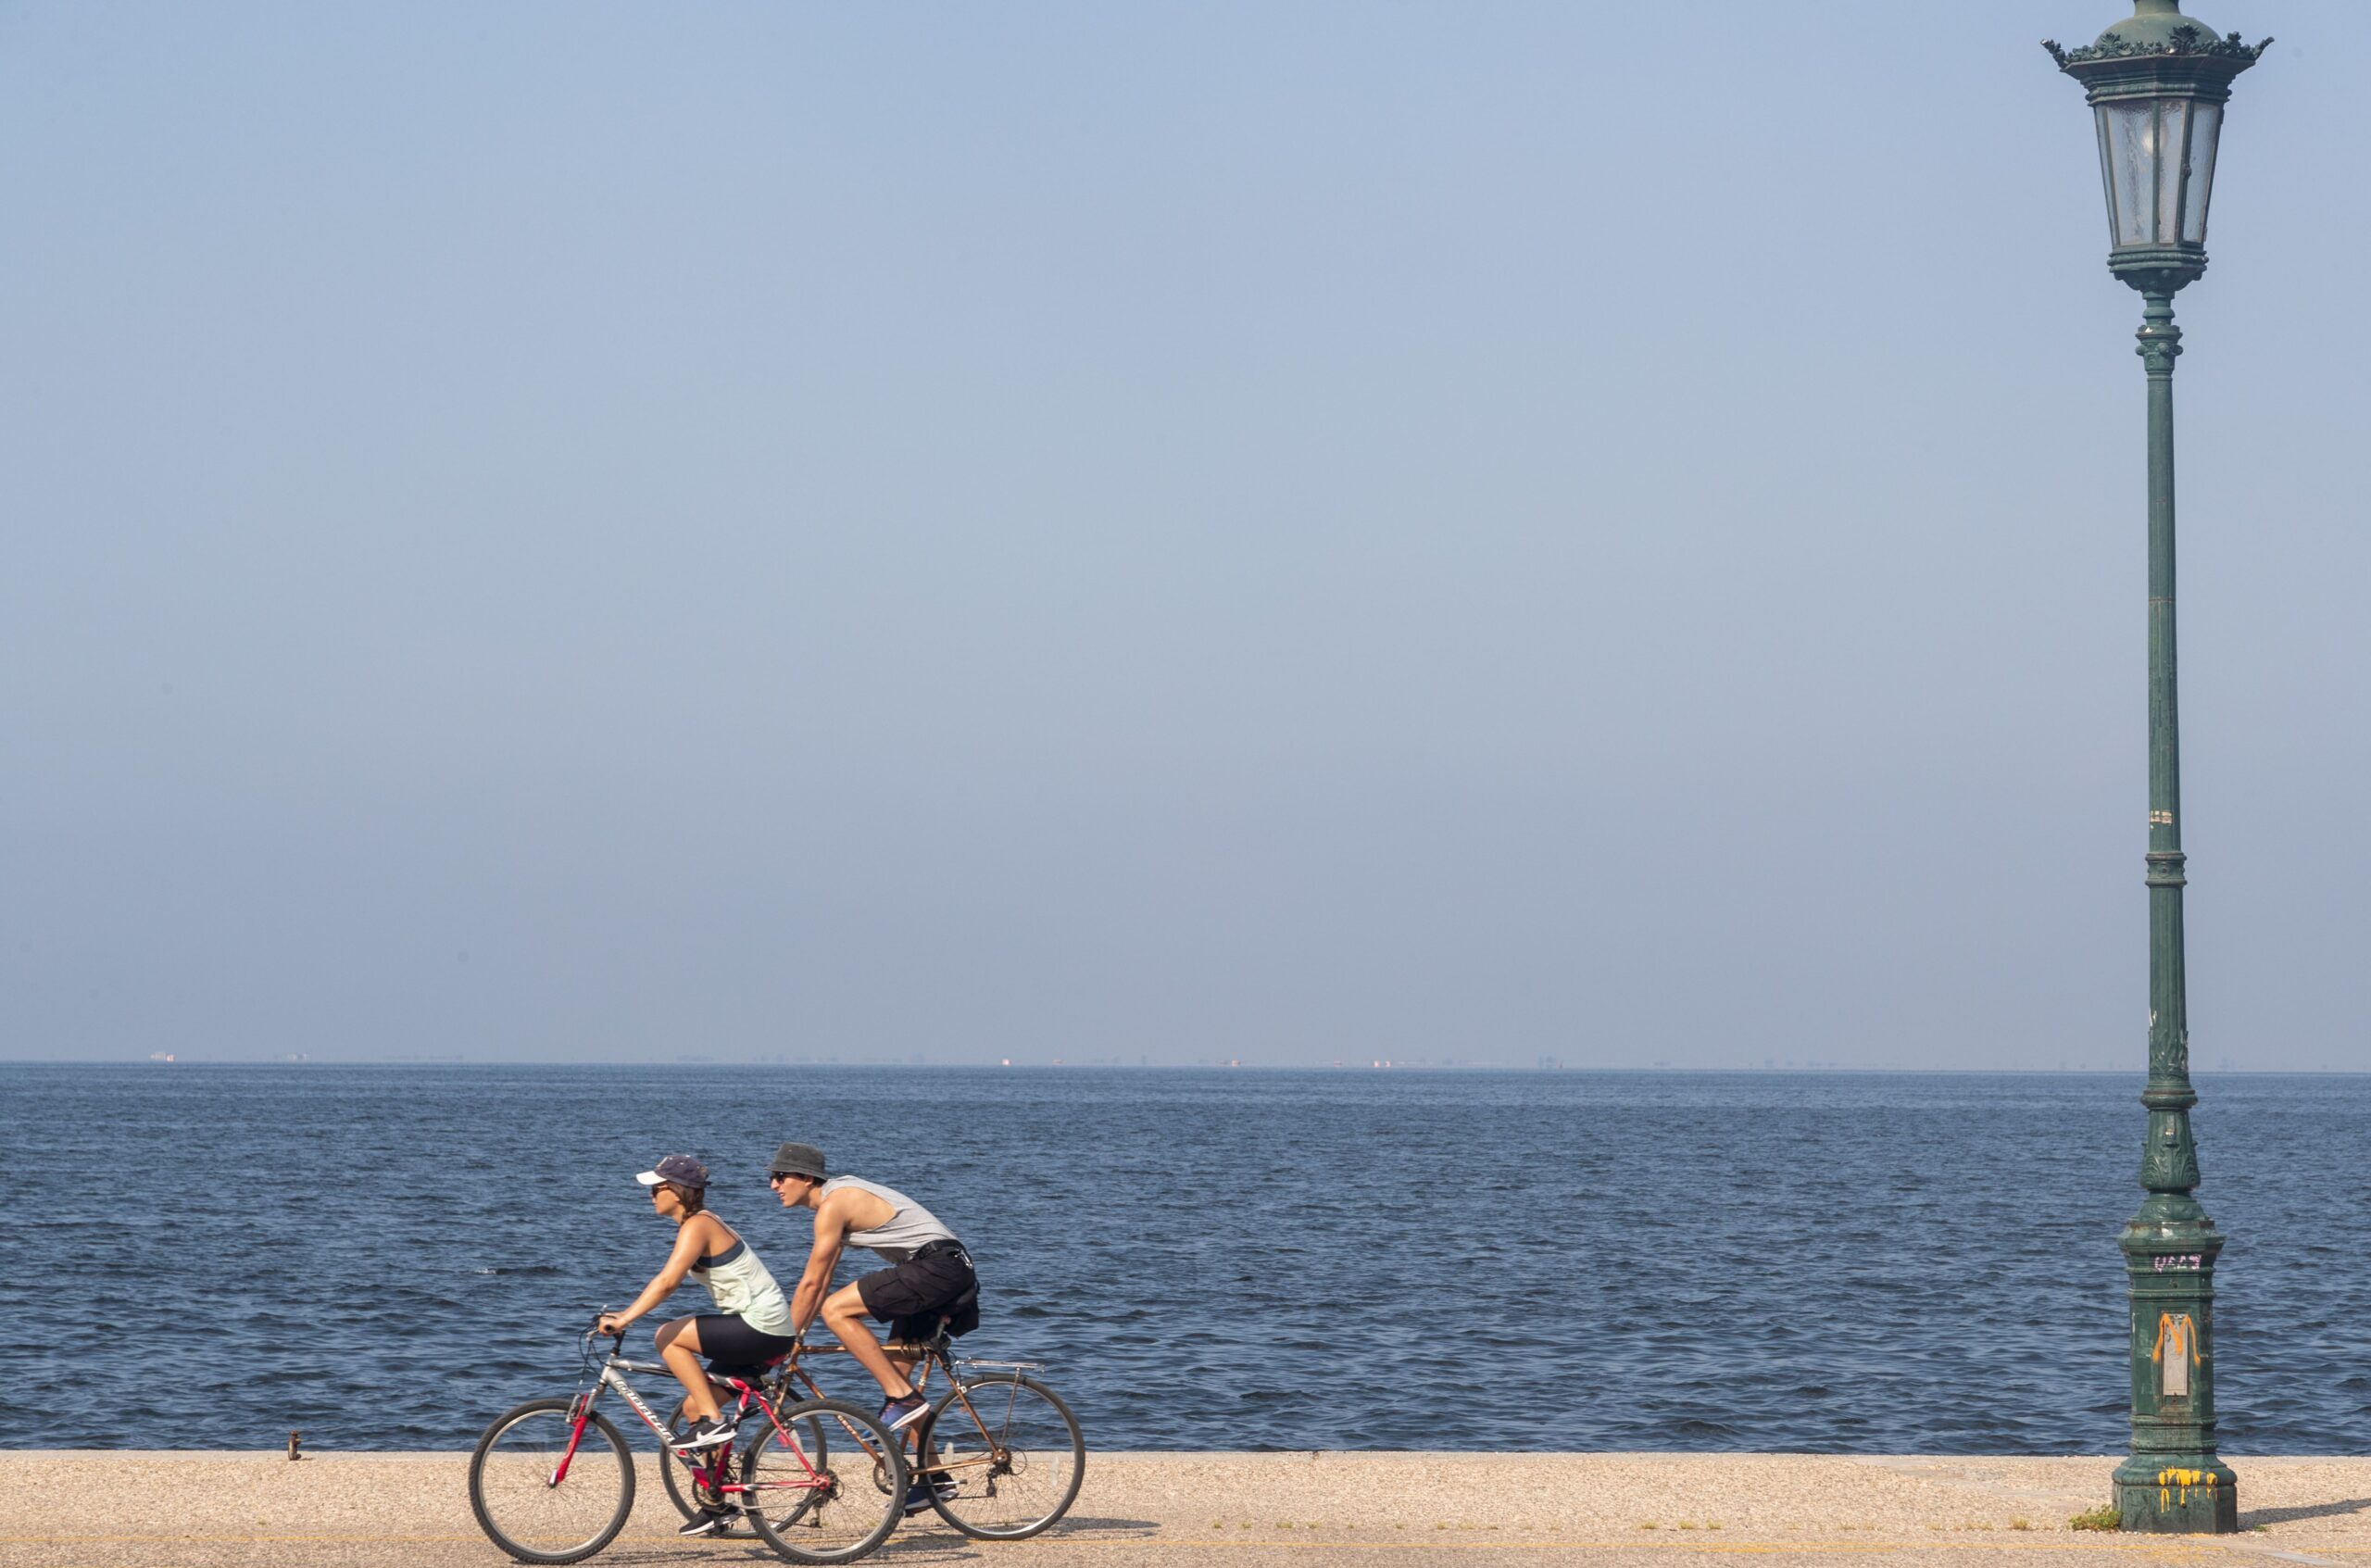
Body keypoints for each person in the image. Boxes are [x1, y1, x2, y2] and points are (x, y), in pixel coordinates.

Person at [595, 1153, 799, 1537]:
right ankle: (716, 1505)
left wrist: (624, 1319)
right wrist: (626, 1311)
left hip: (761, 1327)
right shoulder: (697, 1224)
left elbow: (668, 1281)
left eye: (656, 1188)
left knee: (667, 1336)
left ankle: (714, 1423)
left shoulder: (699, 1225)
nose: (651, 1194)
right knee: (693, 1406)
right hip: (761, 1328)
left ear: (677, 1191)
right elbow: (665, 1282)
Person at [766, 1141, 977, 1512]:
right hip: (946, 1269)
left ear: (805, 1177)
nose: (773, 1185)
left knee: (837, 1311)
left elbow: (813, 1286)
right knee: (896, 1373)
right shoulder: (837, 1204)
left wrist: (780, 1342)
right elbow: (822, 1276)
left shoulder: (834, 1204)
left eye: (780, 1176)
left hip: (938, 1267)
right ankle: (934, 1479)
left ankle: (902, 1398)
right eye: (772, 1177)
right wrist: (796, 1332)